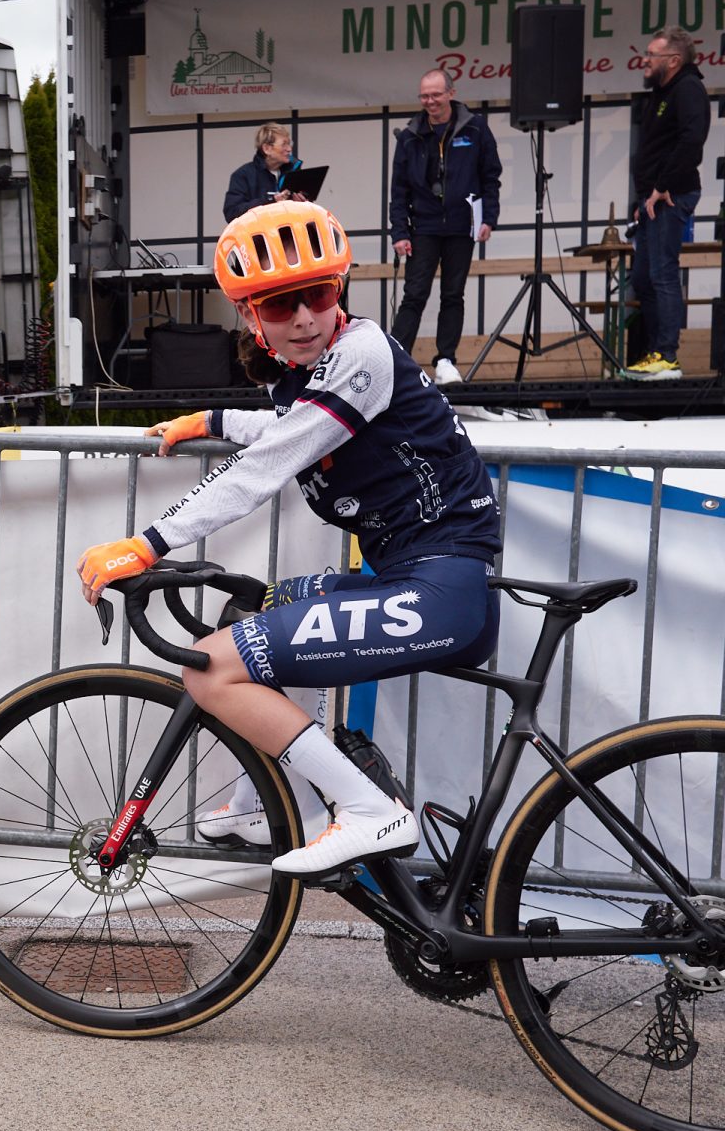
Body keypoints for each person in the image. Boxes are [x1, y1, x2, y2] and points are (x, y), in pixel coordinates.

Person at [75, 201, 502, 879]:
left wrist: (149, 543)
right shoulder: (309, 369)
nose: (303, 317)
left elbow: (269, 464)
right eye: (280, 304)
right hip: (413, 575)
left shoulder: (360, 352)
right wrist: (212, 419)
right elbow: (292, 427)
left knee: (209, 669)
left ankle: (368, 810)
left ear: (339, 292)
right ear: (250, 315)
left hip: (440, 587)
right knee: (254, 611)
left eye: (319, 295)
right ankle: (258, 806)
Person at [388, 70, 501, 388]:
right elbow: (398, 190)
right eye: (424, 96)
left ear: (451, 93)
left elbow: (490, 176)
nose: (430, 101)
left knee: (453, 294)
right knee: (414, 295)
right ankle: (396, 361)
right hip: (423, 226)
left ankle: (445, 360)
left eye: (436, 95)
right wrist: (399, 232)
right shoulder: (410, 135)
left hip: (462, 226)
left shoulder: (476, 128)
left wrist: (488, 218)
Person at [624, 27, 710, 381]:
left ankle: (667, 355)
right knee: (643, 278)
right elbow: (657, 148)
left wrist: (662, 187)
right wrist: (644, 196)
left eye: (651, 55)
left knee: (662, 274)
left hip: (671, 195)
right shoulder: (663, 93)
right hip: (653, 199)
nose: (645, 61)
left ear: (673, 60)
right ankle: (656, 352)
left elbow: (692, 140)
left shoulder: (688, 88)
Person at [223, 123, 303, 223]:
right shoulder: (243, 175)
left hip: (290, 231)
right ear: (267, 149)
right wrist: (270, 200)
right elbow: (232, 213)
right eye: (284, 144)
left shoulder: (293, 171)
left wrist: (303, 203)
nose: (289, 149)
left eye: (289, 144)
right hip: (258, 232)